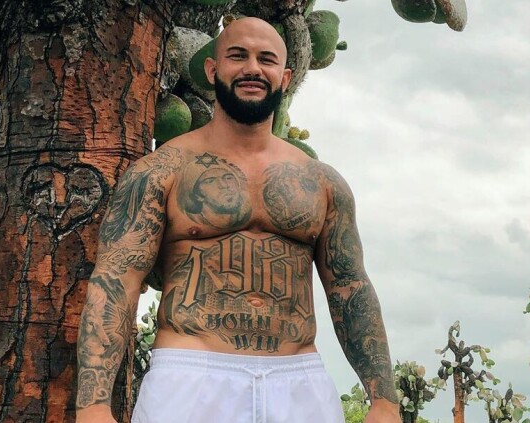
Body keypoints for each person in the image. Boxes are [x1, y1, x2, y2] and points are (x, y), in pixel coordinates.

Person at [76, 17, 401, 423]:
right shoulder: (162, 170)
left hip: (299, 384)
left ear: (285, 77)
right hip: (191, 378)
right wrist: (93, 406)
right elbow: (116, 281)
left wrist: (384, 401)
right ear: (213, 69)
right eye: (238, 55)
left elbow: (350, 288)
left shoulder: (322, 182)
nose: (252, 68)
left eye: (266, 59)